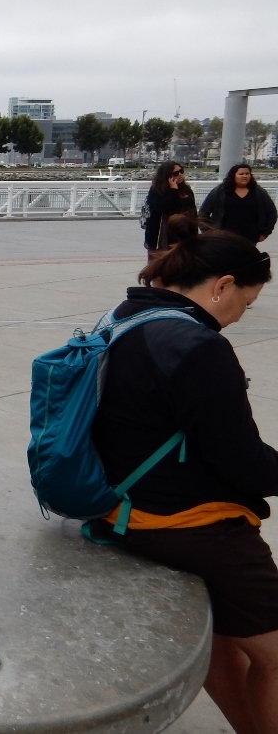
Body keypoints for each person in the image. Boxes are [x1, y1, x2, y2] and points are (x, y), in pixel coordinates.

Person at [90, 217, 275, 733]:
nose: (240, 316)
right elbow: (241, 461)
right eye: (246, 302)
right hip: (188, 524)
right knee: (275, 654)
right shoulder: (199, 348)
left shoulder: (123, 316)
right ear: (221, 287)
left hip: (118, 504)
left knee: (218, 642)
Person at [200, 163, 277, 245]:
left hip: (250, 238)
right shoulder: (220, 191)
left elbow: (272, 213)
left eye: (247, 174)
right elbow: (203, 213)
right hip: (223, 238)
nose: (244, 176)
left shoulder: (258, 192)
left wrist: (265, 233)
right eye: (241, 174)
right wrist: (208, 232)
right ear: (233, 176)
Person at [142, 160, 196, 259]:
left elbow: (193, 210)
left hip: (184, 232)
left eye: (181, 171)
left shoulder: (186, 189)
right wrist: (173, 190)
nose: (180, 175)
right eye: (176, 173)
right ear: (167, 175)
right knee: (162, 264)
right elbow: (161, 208)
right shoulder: (156, 190)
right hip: (163, 234)